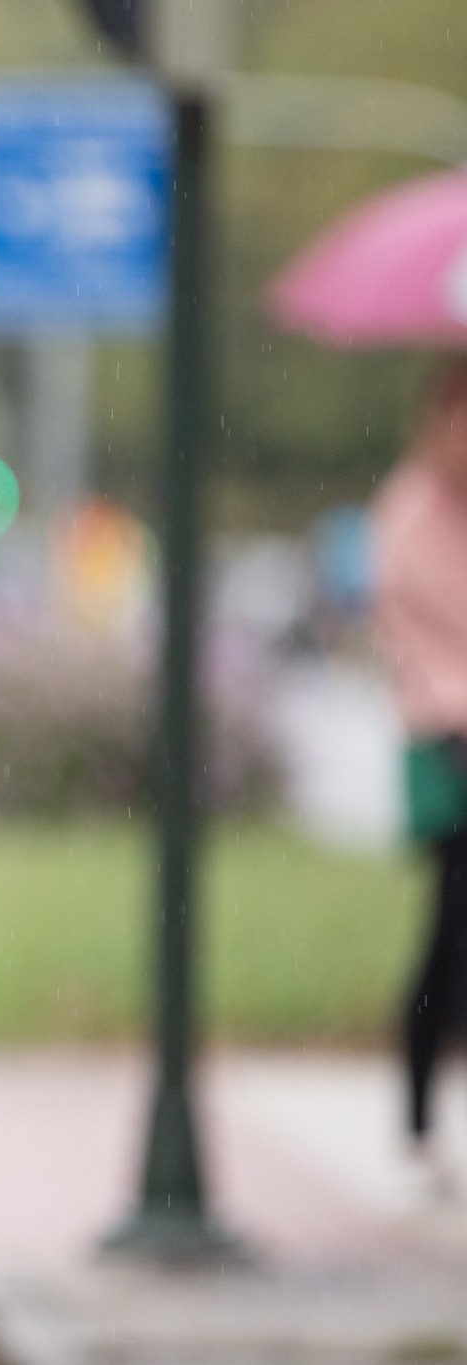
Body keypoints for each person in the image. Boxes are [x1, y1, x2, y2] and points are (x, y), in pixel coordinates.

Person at [374, 359, 467, 1190]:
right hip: (448, 748)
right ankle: (415, 1123)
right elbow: (432, 634)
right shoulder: (412, 515)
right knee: (449, 938)